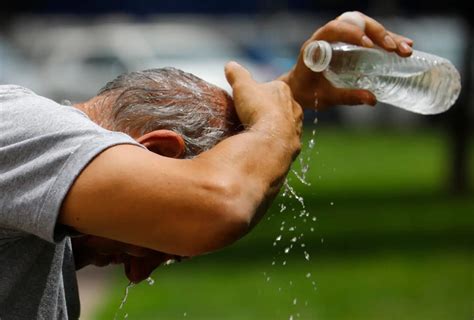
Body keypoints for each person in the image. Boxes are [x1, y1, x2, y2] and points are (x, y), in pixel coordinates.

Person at [0, 11, 413, 319]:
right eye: (160, 244)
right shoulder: (17, 124)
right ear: (159, 153)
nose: (139, 273)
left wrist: (286, 95)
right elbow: (217, 205)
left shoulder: (34, 181)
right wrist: (273, 126)